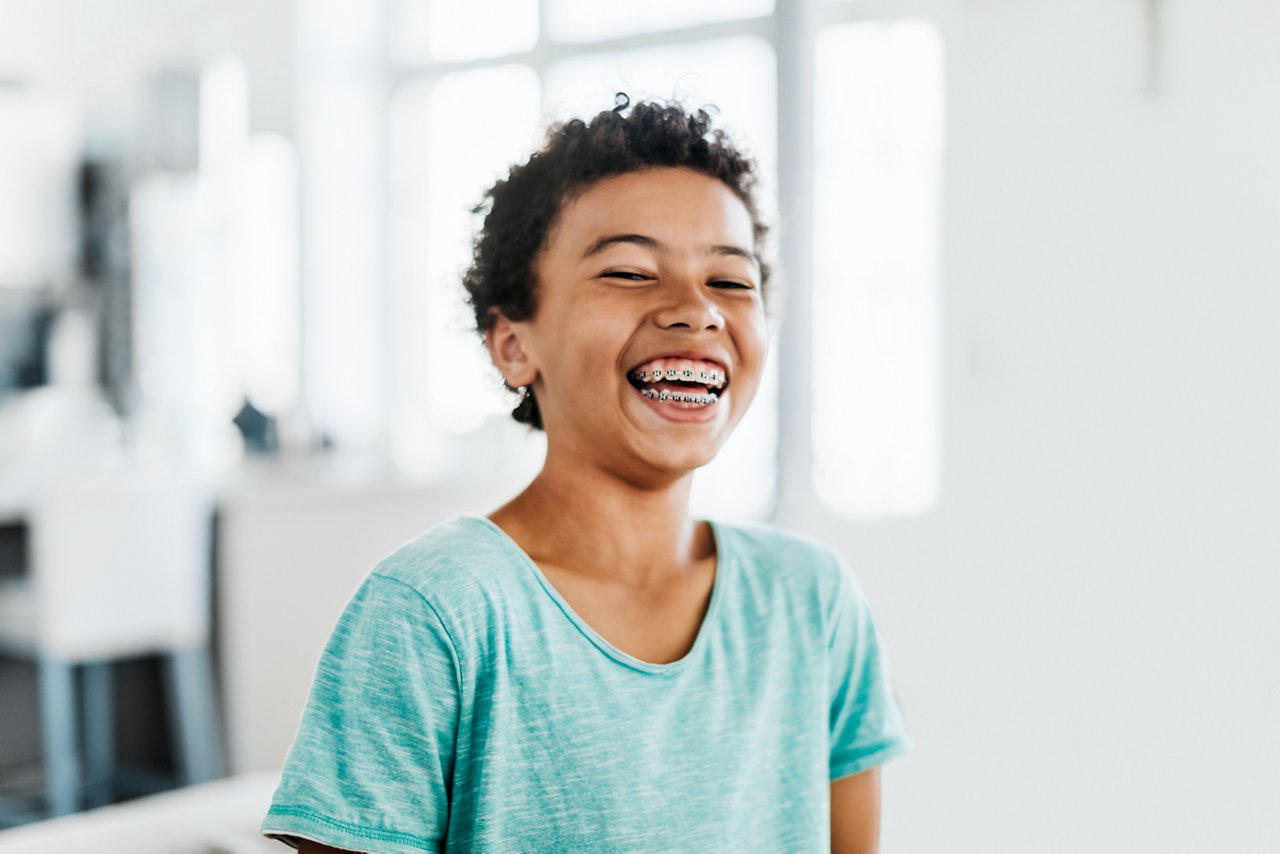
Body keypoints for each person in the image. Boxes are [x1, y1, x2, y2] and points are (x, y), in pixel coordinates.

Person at [260, 96, 912, 853]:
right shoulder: (434, 612)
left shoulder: (812, 601)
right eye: (631, 272)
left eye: (732, 282)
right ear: (512, 346)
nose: (696, 311)